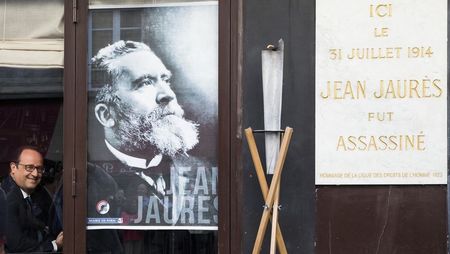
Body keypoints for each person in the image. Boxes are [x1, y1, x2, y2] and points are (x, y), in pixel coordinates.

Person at [87, 40, 212, 253]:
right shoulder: (90, 178)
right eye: (145, 83)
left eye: (165, 79)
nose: (167, 94)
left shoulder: (201, 170)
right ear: (106, 115)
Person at [5, 146, 63, 253]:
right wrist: (55, 245)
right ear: (14, 168)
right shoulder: (6, 198)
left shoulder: (37, 192)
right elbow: (16, 245)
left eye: (39, 169)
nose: (35, 174)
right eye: (29, 167)